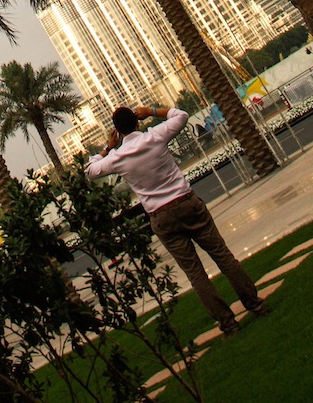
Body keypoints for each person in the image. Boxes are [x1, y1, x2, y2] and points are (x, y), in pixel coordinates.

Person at [86, 102, 268, 335]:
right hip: (186, 203)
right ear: (137, 122)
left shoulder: (117, 157)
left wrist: (108, 147)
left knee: (195, 273)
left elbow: (90, 171)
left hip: (161, 217)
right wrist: (151, 111)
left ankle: (228, 323)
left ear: (118, 132)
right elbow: (181, 115)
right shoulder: (155, 136)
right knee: (222, 256)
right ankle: (254, 304)